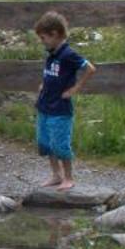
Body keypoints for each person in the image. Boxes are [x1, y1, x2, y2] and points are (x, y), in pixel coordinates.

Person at [33, 10, 95, 189]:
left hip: (60, 109)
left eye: (43, 38)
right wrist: (44, 85)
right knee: (46, 142)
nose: (42, 42)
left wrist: (75, 88)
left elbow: (90, 68)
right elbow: (53, 74)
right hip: (45, 105)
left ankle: (68, 177)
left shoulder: (68, 54)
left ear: (55, 34)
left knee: (60, 143)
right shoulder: (51, 53)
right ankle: (56, 175)